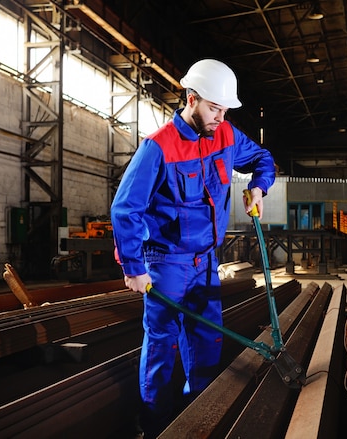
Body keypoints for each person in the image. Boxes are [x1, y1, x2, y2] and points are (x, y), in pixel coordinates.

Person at [111, 58, 276, 437]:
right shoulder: (158, 148)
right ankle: (154, 426)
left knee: (206, 342)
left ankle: (198, 419)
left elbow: (264, 159)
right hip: (166, 261)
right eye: (214, 107)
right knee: (162, 347)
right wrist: (134, 267)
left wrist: (258, 186)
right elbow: (125, 208)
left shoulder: (227, 136)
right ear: (191, 99)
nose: (220, 116)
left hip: (205, 262)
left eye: (225, 109)